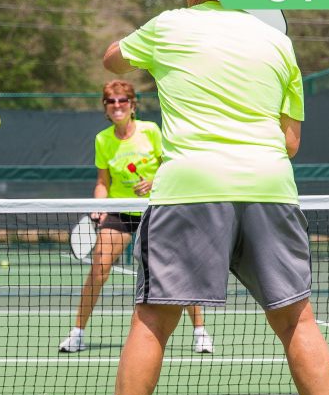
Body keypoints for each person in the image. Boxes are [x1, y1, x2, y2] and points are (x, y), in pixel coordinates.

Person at [78, 0, 329, 395]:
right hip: (269, 188)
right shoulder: (279, 45)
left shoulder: (169, 26)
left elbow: (112, 59)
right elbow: (291, 142)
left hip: (191, 190)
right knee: (297, 321)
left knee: (153, 321)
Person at [58, 80, 213, 355]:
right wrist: (98, 205)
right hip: (120, 210)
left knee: (179, 268)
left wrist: (153, 182)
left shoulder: (150, 131)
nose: (117, 105)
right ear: (105, 107)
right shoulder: (103, 139)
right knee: (99, 266)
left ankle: (200, 332)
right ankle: (77, 333)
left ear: (132, 105)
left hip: (156, 208)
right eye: (111, 101)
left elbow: (172, 165)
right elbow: (103, 182)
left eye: (122, 100)